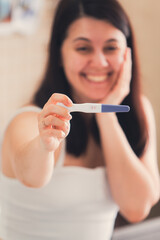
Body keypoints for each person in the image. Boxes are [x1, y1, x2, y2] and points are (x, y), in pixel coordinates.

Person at [0, 0, 159, 239]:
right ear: (59, 54)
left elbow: (136, 207)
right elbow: (32, 176)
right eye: (83, 48)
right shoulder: (27, 120)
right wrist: (45, 144)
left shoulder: (137, 111)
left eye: (111, 48)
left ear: (127, 53)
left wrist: (107, 116)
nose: (99, 62)